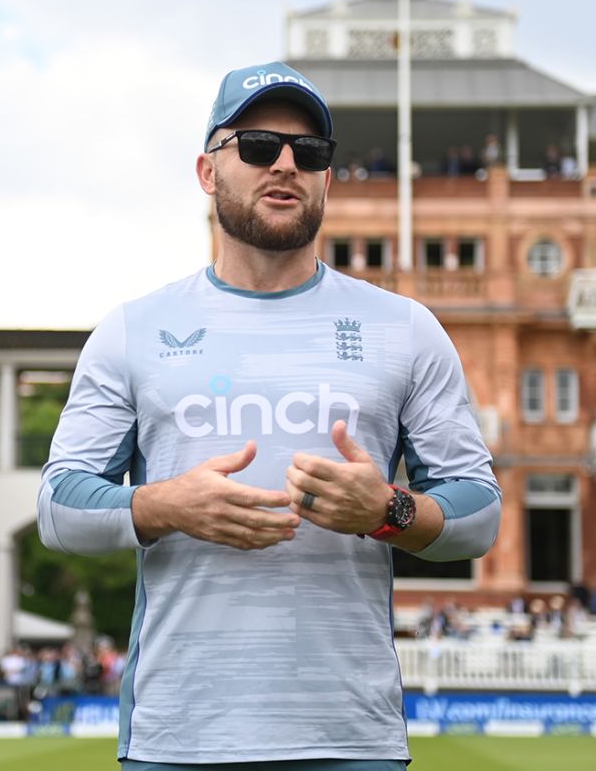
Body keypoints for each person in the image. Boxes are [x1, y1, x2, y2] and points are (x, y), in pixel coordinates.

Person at [37, 60, 500, 769]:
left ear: (327, 178)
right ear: (207, 170)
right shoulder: (132, 329)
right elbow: (58, 507)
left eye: (309, 153)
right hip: (179, 738)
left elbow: (479, 515)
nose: (285, 163)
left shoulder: (405, 329)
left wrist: (387, 509)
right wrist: (167, 505)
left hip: (351, 739)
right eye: (257, 146)